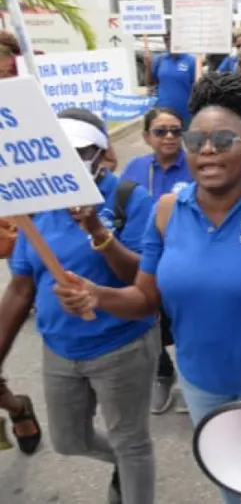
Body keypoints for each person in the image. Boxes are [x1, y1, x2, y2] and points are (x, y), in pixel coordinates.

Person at [53, 72, 241, 504]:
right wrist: (98, 295)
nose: (207, 149)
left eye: (224, 140)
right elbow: (145, 299)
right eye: (195, 140)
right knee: (230, 485)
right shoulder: (166, 212)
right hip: (202, 383)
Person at [1, 108, 157, 503]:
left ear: (102, 153)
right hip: (59, 350)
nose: (72, 161)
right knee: (71, 440)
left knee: (131, 441)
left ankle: (132, 470)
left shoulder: (129, 199)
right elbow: (21, 288)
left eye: (81, 150)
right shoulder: (39, 207)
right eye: (62, 152)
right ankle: (123, 462)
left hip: (121, 347)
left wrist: (97, 229)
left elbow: (141, 279)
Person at [121, 107, 193, 414]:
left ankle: (193, 380)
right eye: (161, 131)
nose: (169, 137)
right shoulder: (135, 169)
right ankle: (163, 373)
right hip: (144, 262)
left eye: (176, 131)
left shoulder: (195, 165)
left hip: (187, 260)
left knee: (190, 323)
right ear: (146, 136)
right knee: (150, 321)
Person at [144, 31, 197, 124]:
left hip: (185, 115)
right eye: (166, 40)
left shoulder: (191, 61)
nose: (169, 42)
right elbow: (150, 83)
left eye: (171, 39)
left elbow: (197, 87)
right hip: (163, 115)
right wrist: (148, 66)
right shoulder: (159, 60)